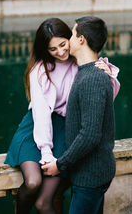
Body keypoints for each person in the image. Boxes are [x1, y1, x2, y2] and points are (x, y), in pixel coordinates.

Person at [4, 17, 120, 214]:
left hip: (66, 130)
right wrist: (46, 152)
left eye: (63, 44)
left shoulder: (81, 64)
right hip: (37, 129)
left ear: (73, 39)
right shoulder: (40, 69)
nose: (60, 52)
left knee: (44, 201)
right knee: (32, 182)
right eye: (52, 49)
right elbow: (41, 115)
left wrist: (108, 74)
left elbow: (100, 103)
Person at [42, 16, 118, 214]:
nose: (69, 40)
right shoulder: (88, 72)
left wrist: (60, 164)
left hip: (90, 176)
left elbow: (90, 134)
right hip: (90, 174)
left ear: (82, 39)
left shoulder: (92, 78)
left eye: (73, 34)